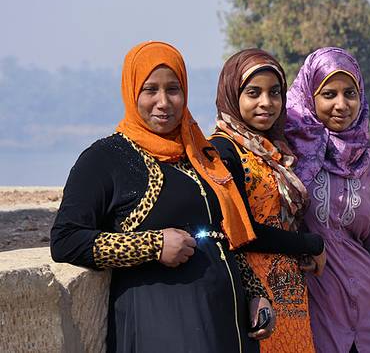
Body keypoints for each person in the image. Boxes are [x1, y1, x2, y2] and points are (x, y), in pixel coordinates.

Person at [50, 41, 274, 352]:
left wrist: (254, 292)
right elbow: (66, 240)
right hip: (162, 325)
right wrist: (154, 245)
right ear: (132, 92)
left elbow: (221, 233)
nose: (163, 102)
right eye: (150, 90)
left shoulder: (201, 153)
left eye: (173, 89)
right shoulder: (106, 158)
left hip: (226, 325)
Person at [285, 47, 370, 353]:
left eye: (350, 94)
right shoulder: (289, 157)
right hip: (314, 315)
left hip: (369, 318)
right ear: (309, 96)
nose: (341, 105)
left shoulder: (367, 163)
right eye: (329, 94)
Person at [209, 48, 327, 353]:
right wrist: (310, 244)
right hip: (253, 295)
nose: (266, 102)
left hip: (290, 296)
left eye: (275, 93)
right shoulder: (223, 151)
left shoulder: (273, 150)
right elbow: (240, 230)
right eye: (253, 93)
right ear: (232, 95)